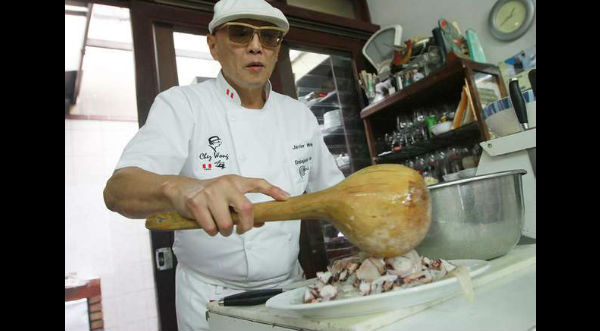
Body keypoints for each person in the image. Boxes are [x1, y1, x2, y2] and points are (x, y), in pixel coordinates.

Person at [102, 0, 344, 329]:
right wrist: (181, 188)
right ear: (213, 45)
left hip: (291, 290)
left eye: (269, 37)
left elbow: (338, 196)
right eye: (241, 34)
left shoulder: (298, 115)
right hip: (209, 298)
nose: (256, 47)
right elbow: (118, 190)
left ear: (276, 50)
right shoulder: (182, 105)